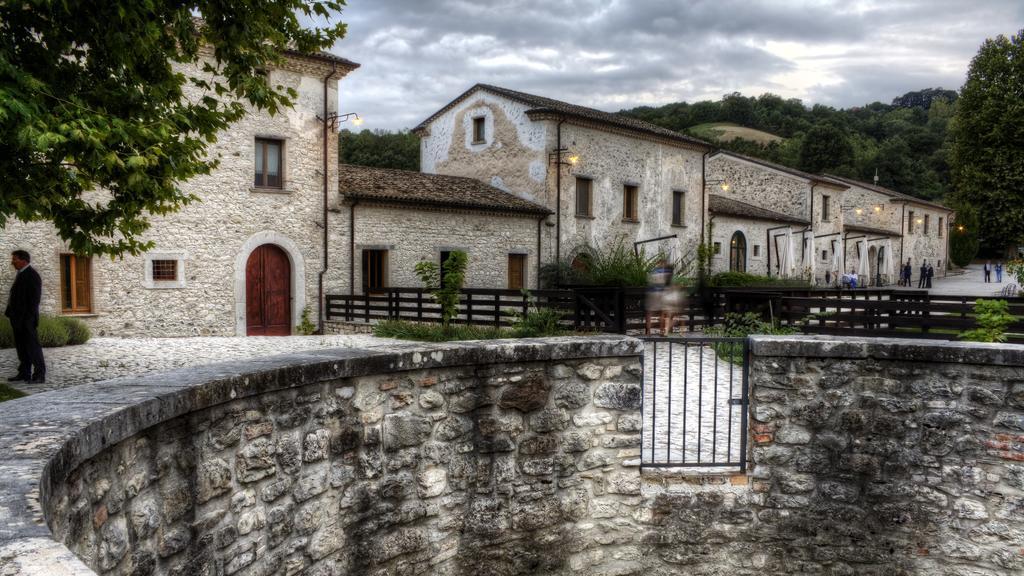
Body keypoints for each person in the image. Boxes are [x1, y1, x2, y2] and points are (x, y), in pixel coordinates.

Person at [5, 250, 45, 384]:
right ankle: (24, 372)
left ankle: (39, 375)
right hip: (17, 319)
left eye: (15, 259)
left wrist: (27, 319)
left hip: (27, 320)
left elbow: (34, 300)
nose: (12, 262)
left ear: (24, 260)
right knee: (21, 347)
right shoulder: (21, 274)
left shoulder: (32, 276)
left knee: (33, 347)